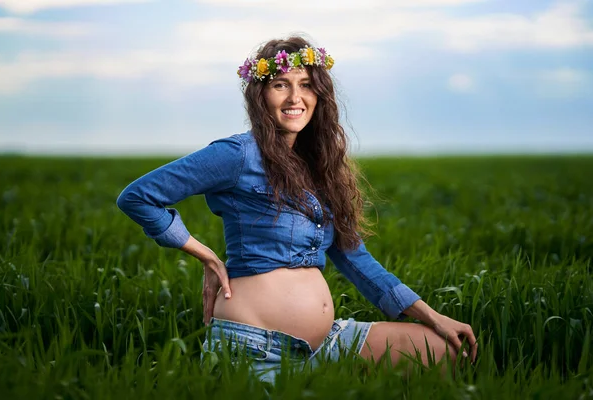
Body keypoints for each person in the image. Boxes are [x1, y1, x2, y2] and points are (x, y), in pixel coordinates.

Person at [116, 35, 477, 383]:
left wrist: (431, 315)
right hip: (256, 349)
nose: (295, 97)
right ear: (260, 96)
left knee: (442, 349)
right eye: (280, 85)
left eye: (306, 85)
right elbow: (138, 196)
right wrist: (207, 256)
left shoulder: (319, 167)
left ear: (319, 95)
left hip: (328, 343)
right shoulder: (237, 154)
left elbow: (356, 259)